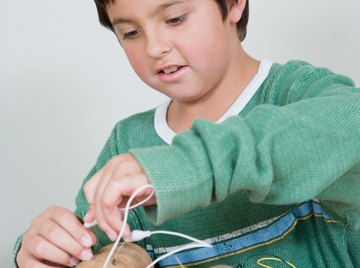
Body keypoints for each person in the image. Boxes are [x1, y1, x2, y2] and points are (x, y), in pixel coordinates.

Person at [14, 0, 360, 267]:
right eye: (131, 32)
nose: (154, 47)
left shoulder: (296, 93)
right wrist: (46, 250)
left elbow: (348, 123)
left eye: (175, 18)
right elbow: (92, 247)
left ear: (234, 3)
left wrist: (189, 166)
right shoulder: (129, 144)